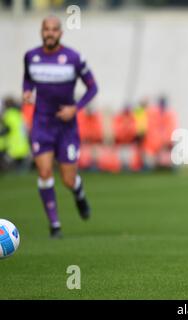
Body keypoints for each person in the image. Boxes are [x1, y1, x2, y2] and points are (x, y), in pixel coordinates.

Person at [23, 16, 98, 238]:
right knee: (45, 172)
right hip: (42, 124)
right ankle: (55, 225)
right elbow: (27, 80)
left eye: (54, 29)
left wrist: (76, 108)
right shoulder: (31, 57)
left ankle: (78, 191)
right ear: (41, 31)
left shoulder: (73, 58)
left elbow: (93, 88)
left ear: (61, 33)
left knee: (67, 179)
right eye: (46, 29)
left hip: (66, 127)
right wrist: (27, 91)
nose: (50, 33)